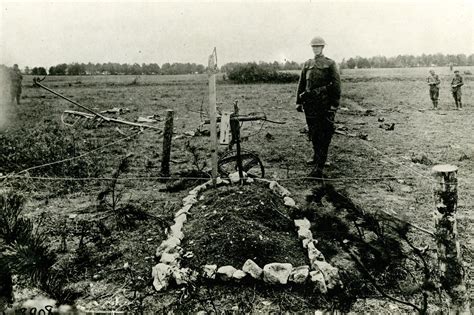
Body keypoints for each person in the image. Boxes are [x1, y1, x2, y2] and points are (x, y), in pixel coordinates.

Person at [296, 36, 341, 178]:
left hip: (325, 106)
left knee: (324, 134)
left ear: (323, 48)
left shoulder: (330, 64)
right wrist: (298, 101)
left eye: (318, 46)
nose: (316, 49)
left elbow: (337, 85)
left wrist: (334, 105)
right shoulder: (307, 64)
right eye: (314, 47)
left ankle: (319, 166)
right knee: (314, 133)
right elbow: (301, 83)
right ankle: (317, 157)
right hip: (310, 106)